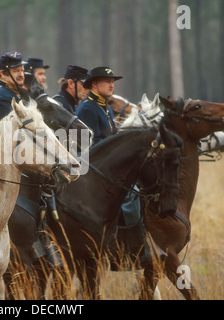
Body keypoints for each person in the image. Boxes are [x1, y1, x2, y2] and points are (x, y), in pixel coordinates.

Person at [77, 66, 166, 268]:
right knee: (131, 200)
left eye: (113, 82)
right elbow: (85, 146)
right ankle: (128, 251)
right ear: (93, 84)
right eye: (107, 81)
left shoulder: (106, 107)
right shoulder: (87, 108)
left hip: (111, 168)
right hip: (95, 173)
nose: (111, 85)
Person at [0, 51, 27, 127]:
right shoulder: (1, 96)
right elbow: (11, 129)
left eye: (22, 70)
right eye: (16, 71)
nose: (21, 75)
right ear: (3, 74)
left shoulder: (17, 93)